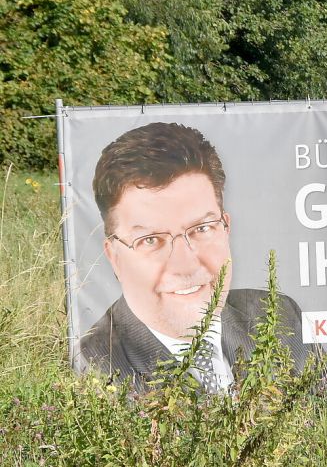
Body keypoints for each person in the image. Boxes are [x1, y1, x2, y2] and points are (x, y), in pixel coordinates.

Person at [81, 122, 311, 392]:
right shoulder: (90, 367)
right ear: (114, 256)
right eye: (151, 240)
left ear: (226, 229)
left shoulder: (279, 315)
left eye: (202, 228)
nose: (184, 264)